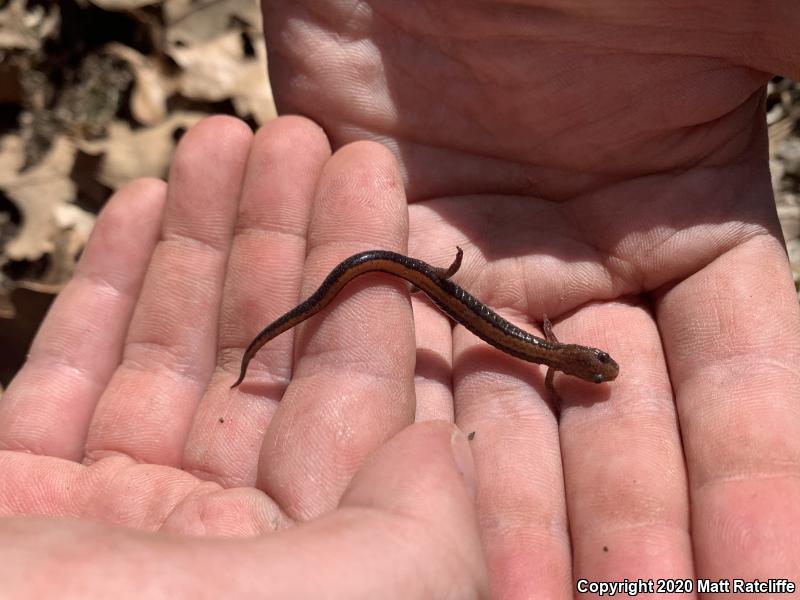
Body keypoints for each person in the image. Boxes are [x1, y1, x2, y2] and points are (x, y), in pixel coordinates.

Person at [2, 2, 799, 596]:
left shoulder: (554, 359)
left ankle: (399, 281)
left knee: (421, 287)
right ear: (578, 367)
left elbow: (546, 346)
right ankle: (388, 285)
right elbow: (542, 344)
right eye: (593, 367)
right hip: (440, 291)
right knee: (406, 282)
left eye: (593, 369)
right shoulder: (551, 359)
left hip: (450, 298)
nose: (589, 369)